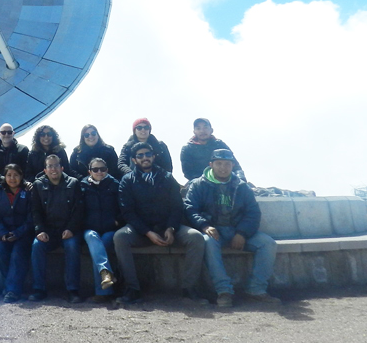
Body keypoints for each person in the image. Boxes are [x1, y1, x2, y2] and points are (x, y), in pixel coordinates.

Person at [113, 142, 206, 305]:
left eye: (148, 154)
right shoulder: (127, 181)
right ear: (134, 160)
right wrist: (148, 232)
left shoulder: (167, 178)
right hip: (141, 231)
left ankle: (189, 289)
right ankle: (132, 289)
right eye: (140, 156)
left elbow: (177, 207)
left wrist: (170, 228)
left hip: (168, 229)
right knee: (120, 237)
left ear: (153, 156)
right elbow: (128, 212)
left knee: (196, 237)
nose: (145, 158)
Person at [184, 149, 279, 307]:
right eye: (219, 163)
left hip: (237, 230)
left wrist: (242, 233)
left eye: (227, 164)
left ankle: (256, 289)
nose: (223, 167)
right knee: (208, 242)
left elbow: (253, 213)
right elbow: (190, 208)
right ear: (211, 165)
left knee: (268, 243)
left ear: (232, 165)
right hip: (214, 231)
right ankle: (224, 291)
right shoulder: (199, 185)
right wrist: (204, 225)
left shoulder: (242, 187)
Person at [29, 154, 83, 303]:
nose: (53, 169)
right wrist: (40, 230)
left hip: (68, 230)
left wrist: (71, 228)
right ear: (45, 170)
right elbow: (35, 210)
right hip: (48, 231)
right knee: (36, 246)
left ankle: (73, 290)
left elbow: (79, 210)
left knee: (72, 246)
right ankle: (39, 289)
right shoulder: (38, 185)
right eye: (50, 166)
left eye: (56, 165)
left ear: (62, 167)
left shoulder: (74, 183)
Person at [0, 164, 32, 302]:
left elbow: (32, 218)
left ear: (21, 176)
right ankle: (10, 286)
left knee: (17, 254)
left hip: (24, 234)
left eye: (15, 175)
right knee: (0, 253)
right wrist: (3, 233)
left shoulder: (29, 192)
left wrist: (18, 233)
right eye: (9, 175)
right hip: (6, 234)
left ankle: (12, 290)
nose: (12, 178)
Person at [80, 158, 121, 303]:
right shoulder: (83, 185)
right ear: (89, 171)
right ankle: (106, 276)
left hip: (110, 228)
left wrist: (117, 221)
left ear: (107, 170)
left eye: (102, 169)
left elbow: (123, 207)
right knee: (92, 237)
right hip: (90, 228)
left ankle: (102, 289)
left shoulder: (115, 184)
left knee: (101, 245)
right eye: (95, 169)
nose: (99, 172)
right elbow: (78, 209)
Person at [180, 118, 246, 183]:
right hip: (200, 183)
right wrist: (207, 181)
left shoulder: (220, 145)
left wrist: (241, 179)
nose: (202, 131)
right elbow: (188, 173)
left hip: (224, 180)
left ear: (211, 130)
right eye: (198, 128)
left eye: (205, 128)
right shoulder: (187, 149)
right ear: (194, 131)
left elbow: (236, 167)